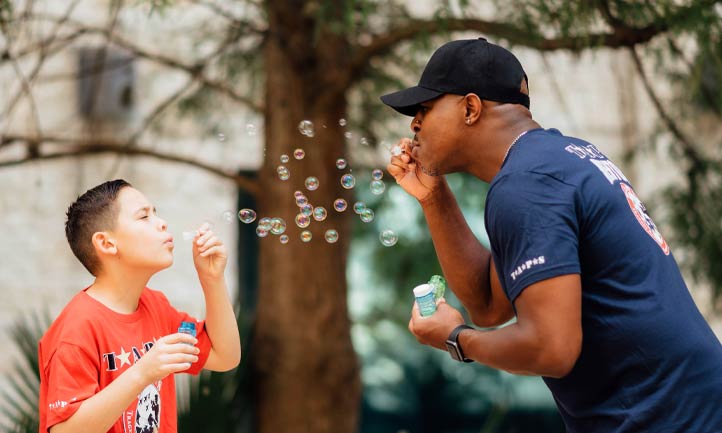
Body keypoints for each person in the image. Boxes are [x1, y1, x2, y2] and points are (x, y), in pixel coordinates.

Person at [382, 38, 722, 432]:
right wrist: (433, 199)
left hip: (668, 418)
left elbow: (552, 347)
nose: (414, 123)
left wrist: (457, 339)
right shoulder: (558, 158)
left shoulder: (526, 185)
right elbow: (491, 305)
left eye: (424, 108)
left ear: (470, 108)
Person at [38, 179, 241, 433]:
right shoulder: (76, 330)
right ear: (107, 243)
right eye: (144, 216)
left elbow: (224, 356)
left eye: (155, 212)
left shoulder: (156, 306)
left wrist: (212, 280)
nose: (162, 222)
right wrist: (142, 373)